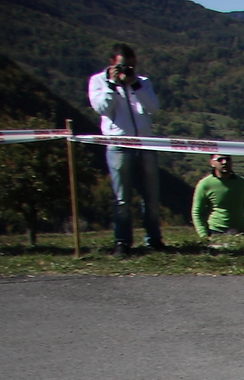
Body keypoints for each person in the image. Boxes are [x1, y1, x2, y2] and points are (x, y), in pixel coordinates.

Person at [87, 43, 163, 256]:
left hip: (146, 142)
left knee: (151, 196)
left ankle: (154, 239)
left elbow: (153, 107)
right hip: (118, 143)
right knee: (122, 198)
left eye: (131, 66)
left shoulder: (143, 82)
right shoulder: (97, 82)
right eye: (123, 66)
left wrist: (135, 85)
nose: (128, 70)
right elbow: (101, 108)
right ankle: (122, 241)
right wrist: (112, 85)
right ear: (112, 64)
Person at [191, 154, 244, 244]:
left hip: (239, 232)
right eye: (220, 160)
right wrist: (204, 236)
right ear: (212, 163)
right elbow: (197, 211)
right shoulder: (205, 184)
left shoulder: (242, 183)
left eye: (227, 159)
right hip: (216, 232)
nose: (224, 162)